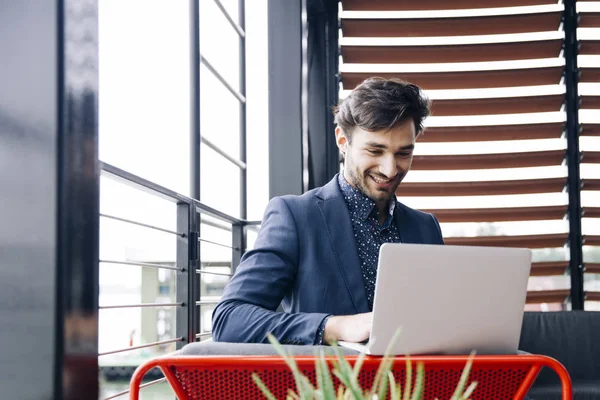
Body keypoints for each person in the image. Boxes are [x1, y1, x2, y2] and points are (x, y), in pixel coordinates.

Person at [212, 77, 444, 346]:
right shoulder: (295, 216)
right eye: (375, 150)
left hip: (419, 385)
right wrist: (335, 326)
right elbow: (229, 319)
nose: (390, 169)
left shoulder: (426, 227)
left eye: (403, 153)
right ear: (342, 140)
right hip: (325, 386)